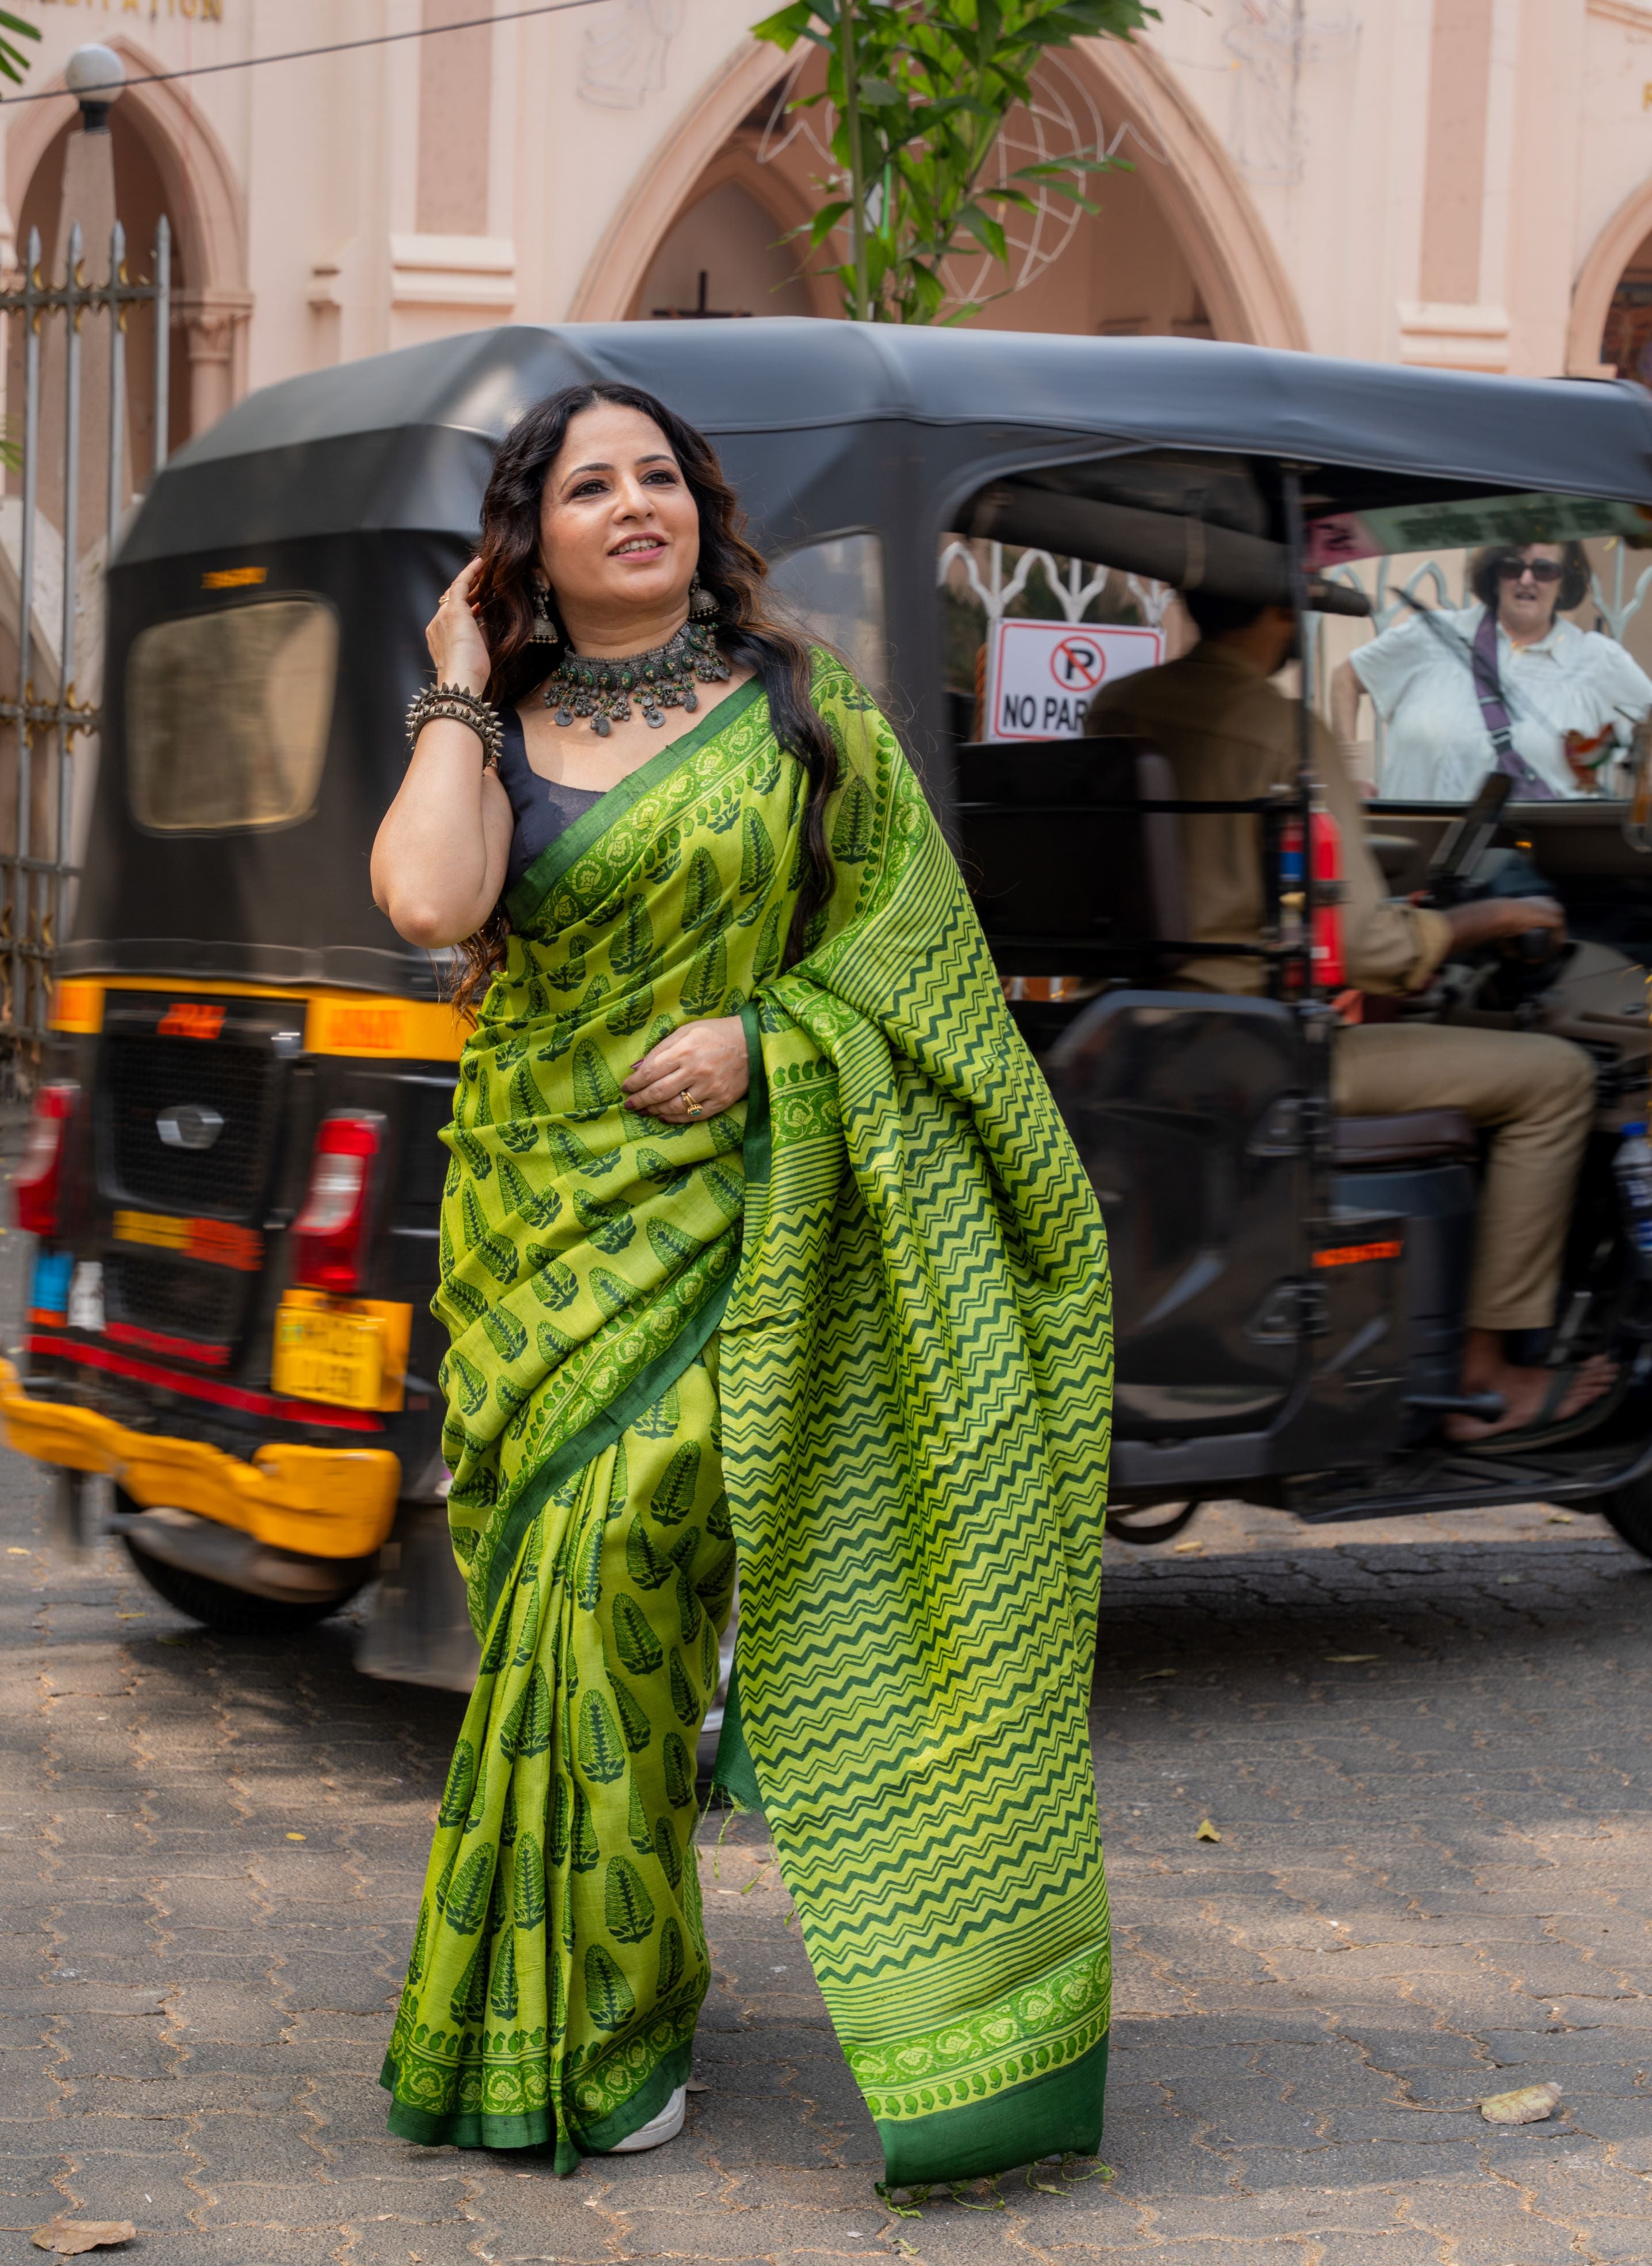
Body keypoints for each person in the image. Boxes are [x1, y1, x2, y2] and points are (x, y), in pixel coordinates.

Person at [369, 382, 1114, 2186]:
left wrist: (764, 1034)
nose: (634, 505)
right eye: (586, 485)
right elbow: (424, 897)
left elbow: (920, 960)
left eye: (659, 477)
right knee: (564, 1607)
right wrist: (465, 678)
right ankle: (559, 2021)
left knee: (631, 1549)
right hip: (543, 1227)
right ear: (528, 535)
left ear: (701, 508)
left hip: (754, 1216)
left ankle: (619, 2019)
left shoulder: (799, 712)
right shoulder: (501, 718)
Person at [1090, 589, 1613, 1442]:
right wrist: (1490, 920)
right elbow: (1375, 952)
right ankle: (1487, 1372)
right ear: (1275, 610)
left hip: (1142, 1035)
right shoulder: (1286, 729)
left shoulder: (1119, 704)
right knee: (1556, 1077)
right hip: (1258, 1048)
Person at [1329, 541, 1652, 802]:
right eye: (1513, 567)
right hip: (1417, 854)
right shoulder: (1432, 635)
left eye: (1544, 570)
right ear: (1495, 575)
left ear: (1564, 581)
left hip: (1529, 871)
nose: (1527, 580)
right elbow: (1346, 677)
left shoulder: (1595, 660)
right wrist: (1348, 776)